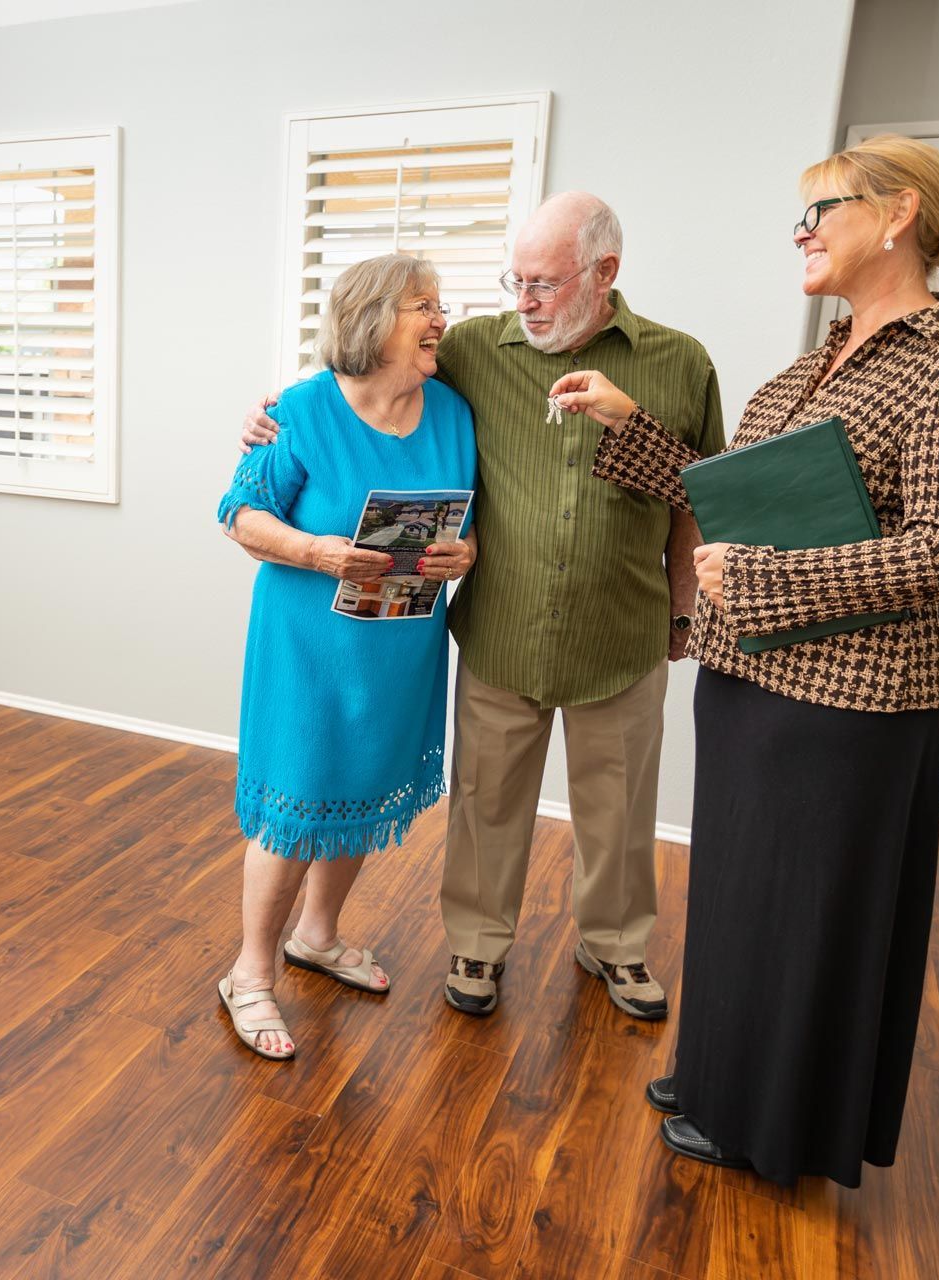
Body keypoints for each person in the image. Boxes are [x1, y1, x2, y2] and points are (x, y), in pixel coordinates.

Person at [550, 134, 939, 1186]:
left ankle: (770, 1122)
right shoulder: (818, 359)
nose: (801, 232)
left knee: (807, 912)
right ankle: (721, 1069)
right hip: (752, 676)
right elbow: (741, 496)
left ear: (898, 213)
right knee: (738, 892)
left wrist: (762, 581)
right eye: (799, 216)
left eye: (822, 210)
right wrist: (633, 425)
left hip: (853, 702)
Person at [245, 194, 725, 1020]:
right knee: (487, 801)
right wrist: (269, 417)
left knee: (618, 806)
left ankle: (614, 946)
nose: (524, 300)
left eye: (544, 283)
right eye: (517, 279)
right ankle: (475, 945)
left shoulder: (678, 362)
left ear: (604, 273)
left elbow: (700, 495)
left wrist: (686, 612)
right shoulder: (473, 351)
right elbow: (361, 375)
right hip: (501, 626)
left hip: (621, 624)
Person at [215, 254, 477, 1060]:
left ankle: (317, 938)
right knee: (298, 798)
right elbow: (238, 514)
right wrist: (318, 551)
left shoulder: (454, 414)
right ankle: (249, 973)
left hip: (400, 645)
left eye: (440, 305)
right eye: (422, 306)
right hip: (308, 647)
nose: (440, 319)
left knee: (363, 786)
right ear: (371, 321)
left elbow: (471, 520)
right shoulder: (300, 411)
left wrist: (465, 553)